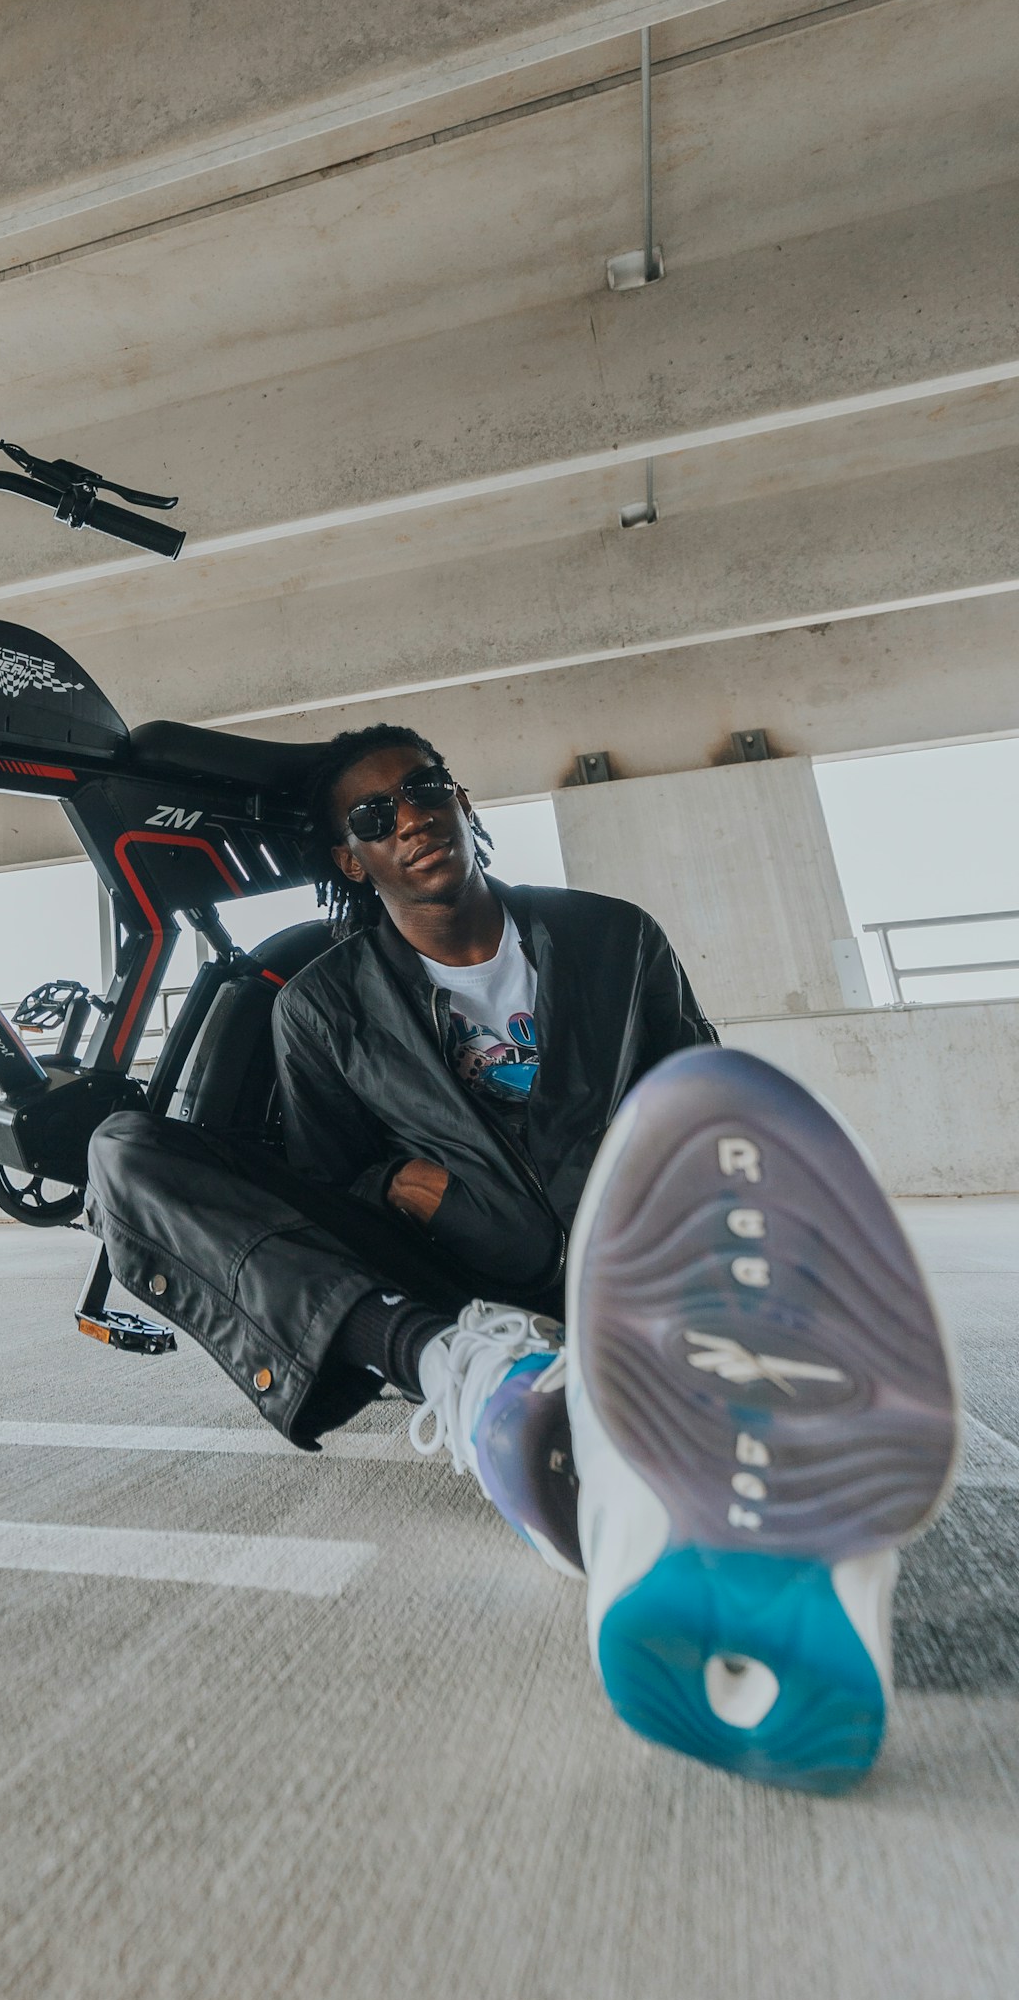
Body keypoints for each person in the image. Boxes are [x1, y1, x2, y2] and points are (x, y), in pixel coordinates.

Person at [85, 722, 960, 1795]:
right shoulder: (320, 1007)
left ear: (461, 801)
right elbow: (328, 1185)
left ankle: (702, 1454)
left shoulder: (613, 941)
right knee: (122, 1152)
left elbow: (696, 1103)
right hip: (462, 1283)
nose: (411, 818)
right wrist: (413, 1189)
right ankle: (478, 1376)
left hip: (634, 1261)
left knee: (725, 1123)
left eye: (425, 790)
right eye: (376, 817)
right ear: (352, 859)